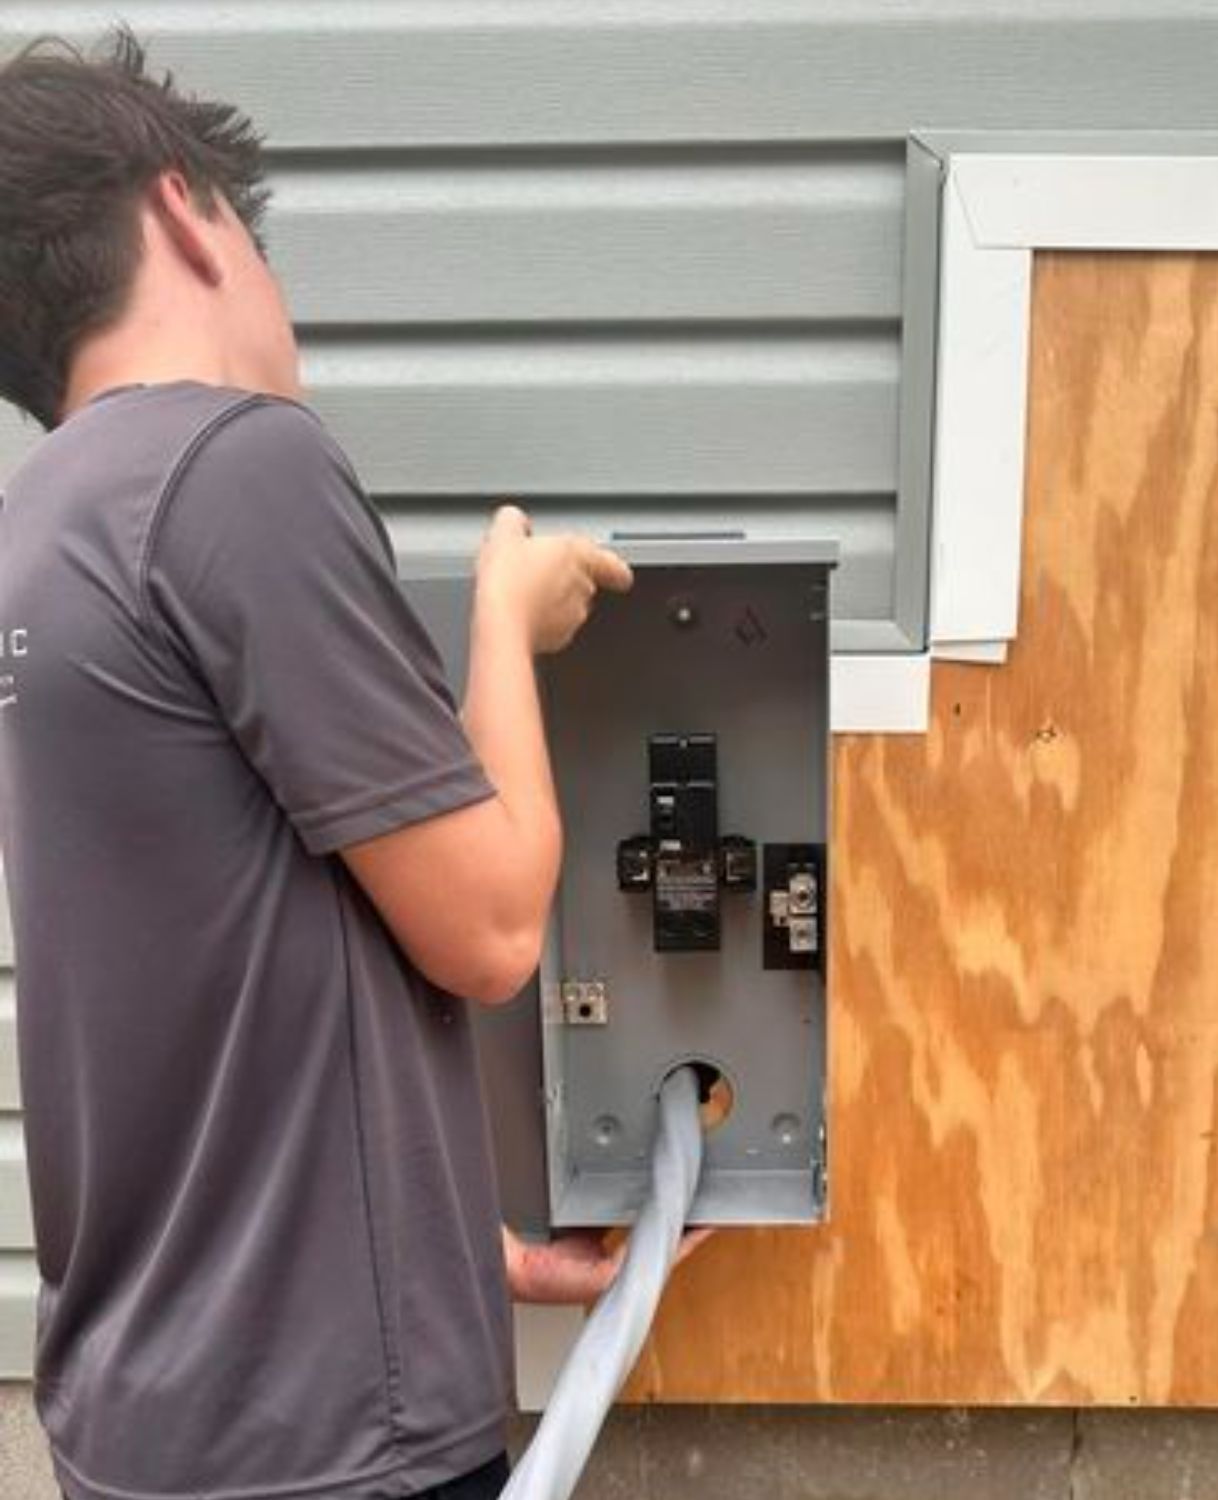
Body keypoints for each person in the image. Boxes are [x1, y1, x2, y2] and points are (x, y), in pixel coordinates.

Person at [0, 29, 699, 1500]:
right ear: (188, 213)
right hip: (327, 1450)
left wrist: (465, 1254)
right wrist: (501, 621)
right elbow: (494, 928)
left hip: (145, 1427)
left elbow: (213, 986)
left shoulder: (43, 529)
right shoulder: (237, 462)